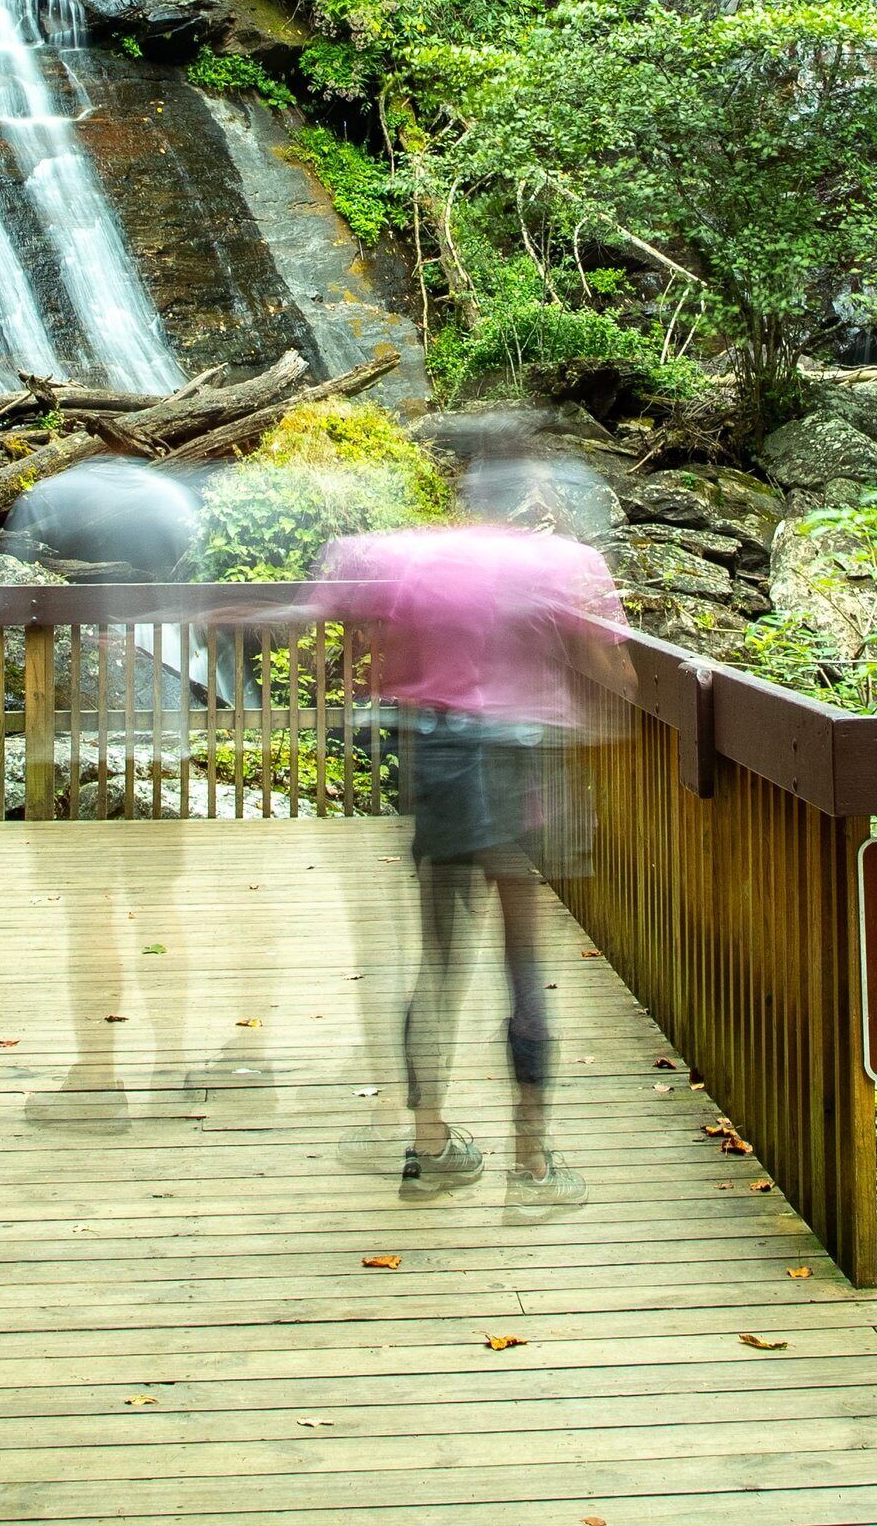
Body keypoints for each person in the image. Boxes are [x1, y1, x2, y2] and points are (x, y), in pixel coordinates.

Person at [314, 455, 628, 1208]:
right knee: (523, 959)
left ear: (459, 496)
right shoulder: (562, 562)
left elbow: (343, 624)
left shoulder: (404, 554)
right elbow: (612, 670)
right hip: (523, 764)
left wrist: (370, 668)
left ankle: (428, 1143)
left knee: (440, 958)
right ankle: (532, 1160)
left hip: (440, 759)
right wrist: (621, 713)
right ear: (526, 499)